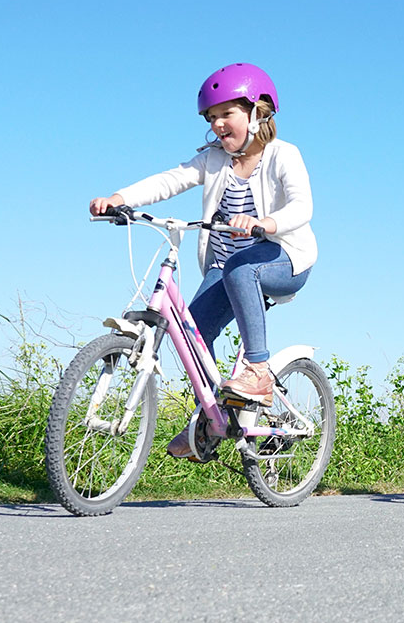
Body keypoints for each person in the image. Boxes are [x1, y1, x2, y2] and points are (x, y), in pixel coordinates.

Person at [89, 63, 315, 457]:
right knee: (194, 334)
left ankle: (258, 370)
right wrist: (120, 198)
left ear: (258, 111)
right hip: (227, 271)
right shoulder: (212, 160)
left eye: (227, 114)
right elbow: (168, 180)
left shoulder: (283, 155)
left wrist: (265, 223)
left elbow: (302, 206)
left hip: (284, 260)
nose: (218, 125)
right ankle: (213, 420)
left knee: (241, 268)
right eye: (212, 118)